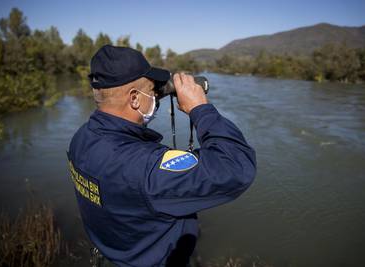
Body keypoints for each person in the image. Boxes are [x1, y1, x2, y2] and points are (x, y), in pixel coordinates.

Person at [67, 45, 256, 267]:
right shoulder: (146, 169)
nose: (157, 95)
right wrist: (200, 108)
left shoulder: (81, 138)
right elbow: (236, 166)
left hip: (115, 253)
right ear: (135, 98)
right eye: (152, 90)